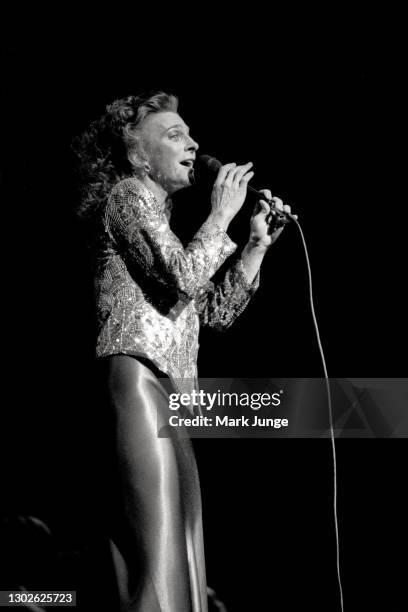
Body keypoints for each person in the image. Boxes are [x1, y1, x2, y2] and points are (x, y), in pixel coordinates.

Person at [73, 91, 293, 611]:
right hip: (138, 379)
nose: (193, 143)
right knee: (160, 553)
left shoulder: (164, 225)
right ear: (137, 156)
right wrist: (221, 215)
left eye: (190, 134)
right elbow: (183, 279)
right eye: (174, 135)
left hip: (178, 396)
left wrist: (256, 245)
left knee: (189, 559)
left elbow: (213, 312)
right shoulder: (127, 196)